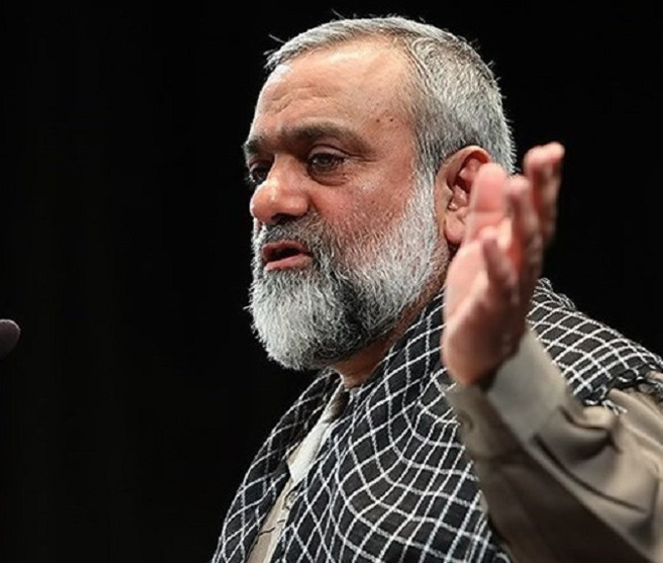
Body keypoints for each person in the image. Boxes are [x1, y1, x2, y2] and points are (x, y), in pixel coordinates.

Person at [210, 15, 663, 563]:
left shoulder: (580, 389)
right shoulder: (308, 435)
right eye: (261, 169)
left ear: (460, 192)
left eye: (323, 159)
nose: (267, 200)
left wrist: (517, 390)